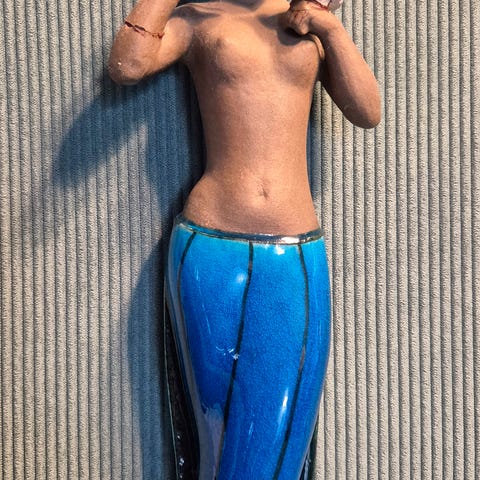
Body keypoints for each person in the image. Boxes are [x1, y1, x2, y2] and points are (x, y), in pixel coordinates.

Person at [109, 0, 380, 478]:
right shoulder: (199, 19)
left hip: (295, 257)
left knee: (279, 442)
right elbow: (127, 66)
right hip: (212, 250)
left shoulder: (305, 19)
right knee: (218, 439)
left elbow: (367, 111)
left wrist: (329, 28)